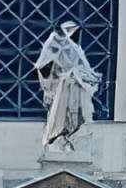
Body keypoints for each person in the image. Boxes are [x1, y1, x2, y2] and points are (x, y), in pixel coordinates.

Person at [34, 19, 99, 152]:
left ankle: (69, 136)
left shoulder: (74, 47)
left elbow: (83, 66)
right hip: (61, 87)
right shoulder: (54, 44)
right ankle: (59, 137)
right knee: (60, 112)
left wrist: (84, 76)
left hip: (75, 85)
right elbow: (43, 66)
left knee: (75, 113)